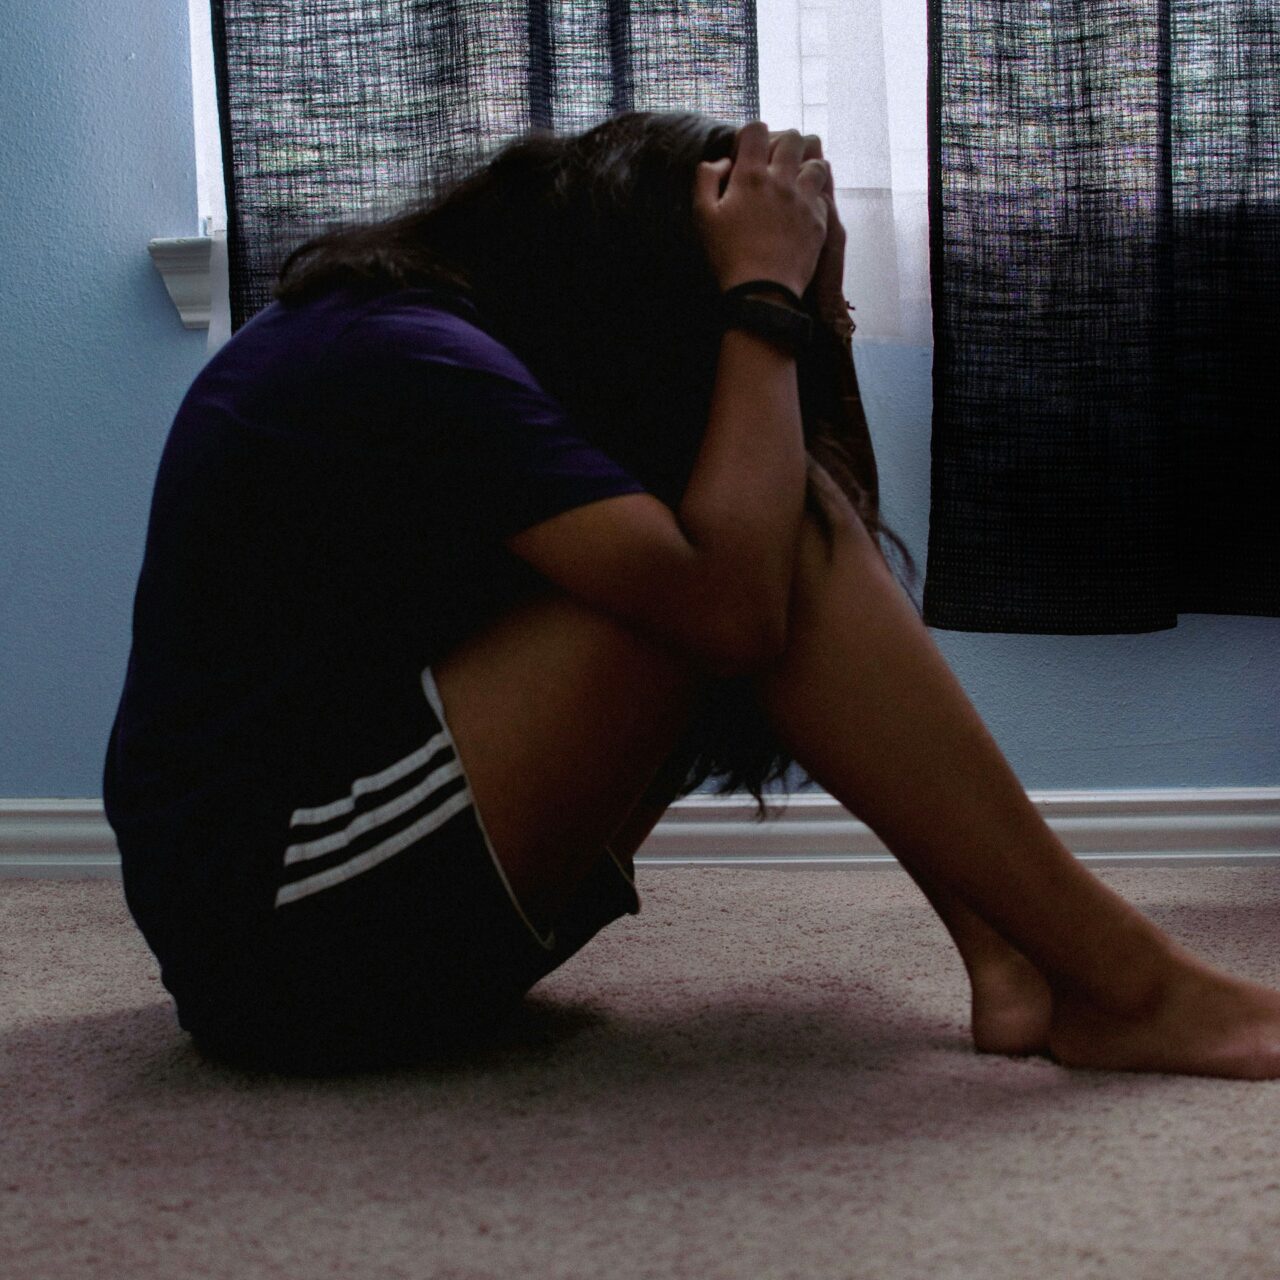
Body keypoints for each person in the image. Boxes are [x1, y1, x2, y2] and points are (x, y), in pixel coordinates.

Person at [104, 112, 1280, 1077]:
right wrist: (756, 298)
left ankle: (1015, 959)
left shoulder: (467, 346)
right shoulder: (398, 350)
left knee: (756, 519)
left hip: (374, 909)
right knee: (742, 557)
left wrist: (807, 313)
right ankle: (1127, 986)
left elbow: (810, 514)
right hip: (283, 934)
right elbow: (741, 604)